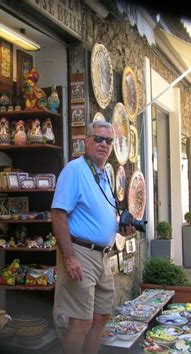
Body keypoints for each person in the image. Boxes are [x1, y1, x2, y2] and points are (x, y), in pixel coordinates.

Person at [50, 120, 135, 354]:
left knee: (101, 316)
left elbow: (96, 214)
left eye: (109, 140)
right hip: (81, 254)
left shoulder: (104, 173)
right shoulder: (75, 170)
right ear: (86, 142)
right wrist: (69, 257)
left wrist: (119, 228)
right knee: (80, 322)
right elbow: (58, 214)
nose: (104, 144)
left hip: (103, 256)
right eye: (98, 138)